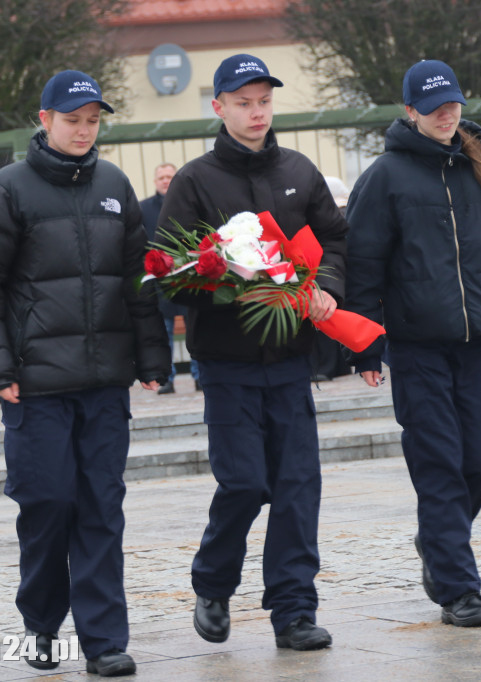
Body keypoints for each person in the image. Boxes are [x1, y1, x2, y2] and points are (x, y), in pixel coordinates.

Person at [0, 70, 169, 677]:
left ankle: (104, 641)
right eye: (72, 119)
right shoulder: (7, 190)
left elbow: (136, 280)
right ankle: (42, 624)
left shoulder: (114, 185)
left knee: (102, 507)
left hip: (103, 385)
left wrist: (152, 357)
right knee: (48, 504)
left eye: (93, 120)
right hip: (36, 387)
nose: (84, 130)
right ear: (45, 119)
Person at [344, 59, 481, 627]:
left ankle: (436, 541)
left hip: (477, 346)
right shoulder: (384, 177)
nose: (446, 114)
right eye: (433, 107)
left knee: (480, 461)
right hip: (417, 349)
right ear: (410, 111)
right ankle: (459, 590)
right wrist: (364, 346)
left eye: (452, 104)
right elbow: (362, 267)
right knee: (439, 466)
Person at [156, 54, 345, 651]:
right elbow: (169, 272)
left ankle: (294, 611)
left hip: (291, 360)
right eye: (243, 103)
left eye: (263, 101)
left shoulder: (299, 170)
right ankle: (213, 583)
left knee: (297, 486)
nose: (256, 112)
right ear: (219, 107)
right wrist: (230, 281)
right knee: (243, 483)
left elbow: (336, 241)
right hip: (227, 363)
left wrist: (326, 288)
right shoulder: (194, 180)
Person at [140, 162, 199, 393]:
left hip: (190, 276)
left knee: (194, 327)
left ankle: (199, 376)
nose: (165, 180)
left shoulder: (190, 204)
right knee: (163, 332)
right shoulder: (143, 208)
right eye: (161, 177)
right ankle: (167, 379)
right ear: (155, 181)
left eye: (169, 176)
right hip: (158, 279)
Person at [308, 176, 353, 382]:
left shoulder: (324, 216)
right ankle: (341, 365)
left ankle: (327, 367)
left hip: (326, 274)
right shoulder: (347, 212)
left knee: (325, 319)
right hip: (342, 274)